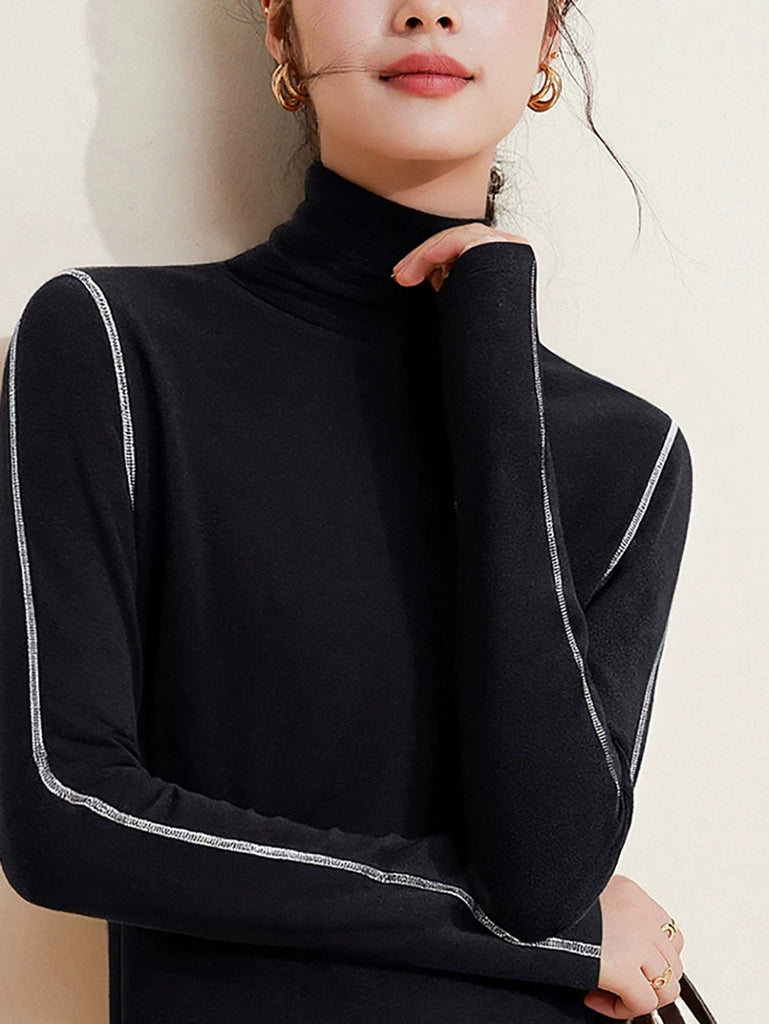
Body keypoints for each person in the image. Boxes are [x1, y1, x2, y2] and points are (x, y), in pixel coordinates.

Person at [0, 0, 693, 1021]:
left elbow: (544, 874)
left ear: (548, 37)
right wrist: (563, 944)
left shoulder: (630, 453)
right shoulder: (114, 344)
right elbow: (67, 819)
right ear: (279, 27)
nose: (426, 9)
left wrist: (491, 362)